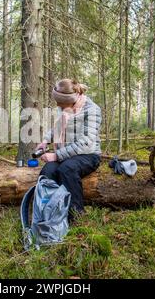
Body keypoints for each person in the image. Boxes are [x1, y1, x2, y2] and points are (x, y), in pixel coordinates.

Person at [36, 78, 102, 222]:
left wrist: (56, 156)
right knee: (47, 171)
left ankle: (76, 215)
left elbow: (85, 143)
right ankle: (48, 213)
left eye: (60, 101)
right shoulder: (64, 108)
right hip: (66, 153)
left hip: (88, 154)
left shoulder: (92, 110)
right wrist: (45, 140)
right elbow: (56, 128)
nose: (57, 104)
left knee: (67, 169)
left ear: (70, 98)